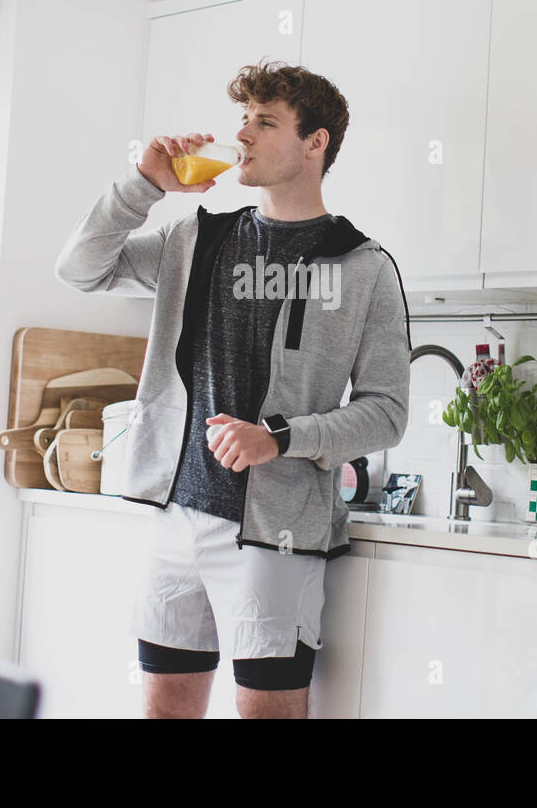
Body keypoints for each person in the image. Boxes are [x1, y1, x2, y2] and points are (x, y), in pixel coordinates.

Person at [54, 60, 410, 718]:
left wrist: (281, 439)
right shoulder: (194, 238)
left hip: (274, 538)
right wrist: (142, 185)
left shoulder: (364, 267)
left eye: (265, 122)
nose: (241, 136)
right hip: (175, 517)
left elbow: (386, 415)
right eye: (242, 120)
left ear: (315, 142)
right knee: (164, 712)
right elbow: (79, 268)